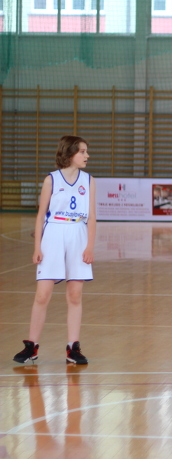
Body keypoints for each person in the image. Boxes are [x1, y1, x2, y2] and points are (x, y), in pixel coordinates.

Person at [13, 135, 96, 365]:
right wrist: (37, 247)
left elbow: (92, 217)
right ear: (70, 153)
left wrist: (90, 246)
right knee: (42, 295)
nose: (87, 156)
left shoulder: (89, 181)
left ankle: (73, 348)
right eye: (82, 152)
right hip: (53, 234)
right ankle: (31, 346)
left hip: (78, 234)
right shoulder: (51, 180)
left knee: (75, 295)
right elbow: (41, 216)